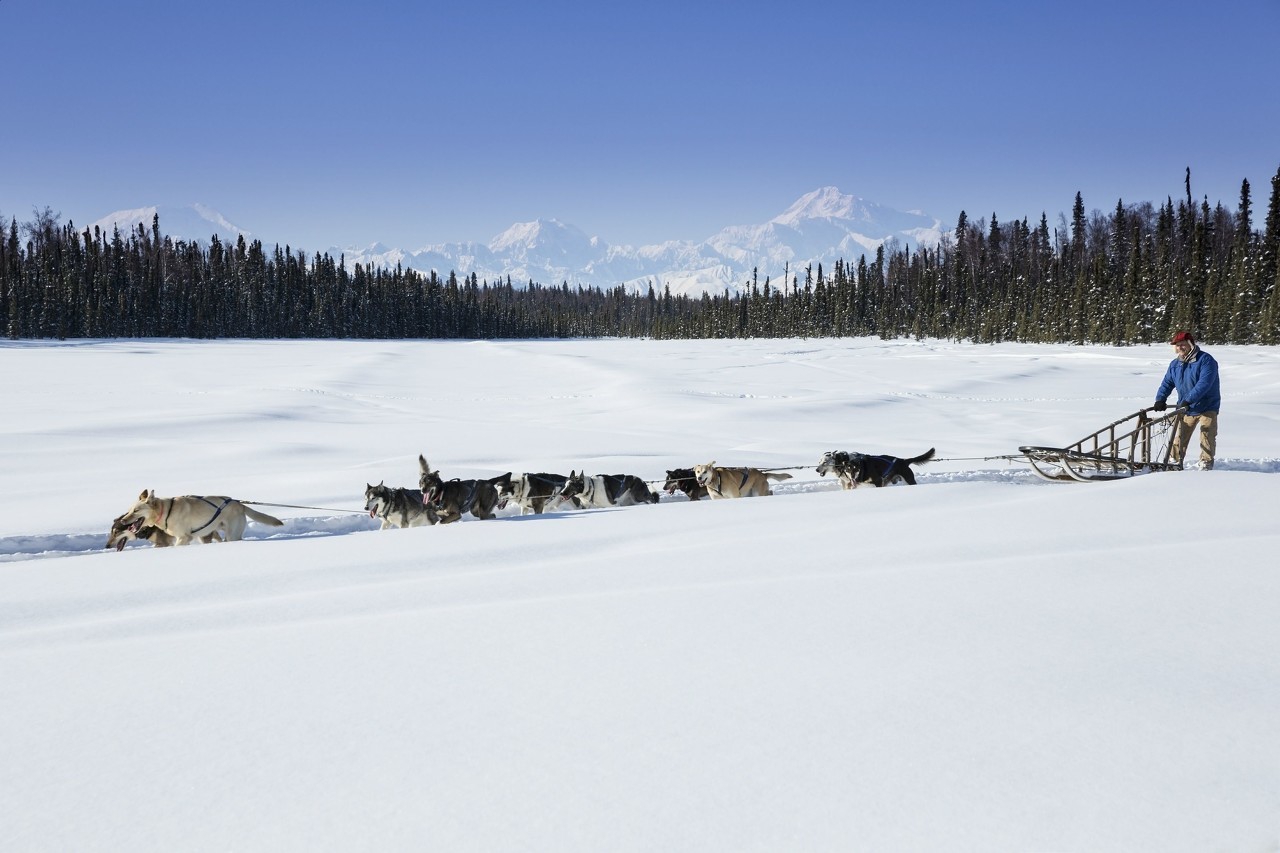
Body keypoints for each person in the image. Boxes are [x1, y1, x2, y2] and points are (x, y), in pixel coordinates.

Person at [1153, 331, 1220, 469]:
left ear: (1190, 344)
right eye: (1177, 346)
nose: (1180, 348)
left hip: (1207, 406)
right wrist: (1160, 399)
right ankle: (1174, 461)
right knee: (1180, 437)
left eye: (1183, 345)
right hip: (1187, 407)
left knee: (1207, 435)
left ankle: (1206, 463)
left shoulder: (1206, 360)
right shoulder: (1175, 364)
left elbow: (1204, 384)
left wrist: (1188, 400)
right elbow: (1167, 383)